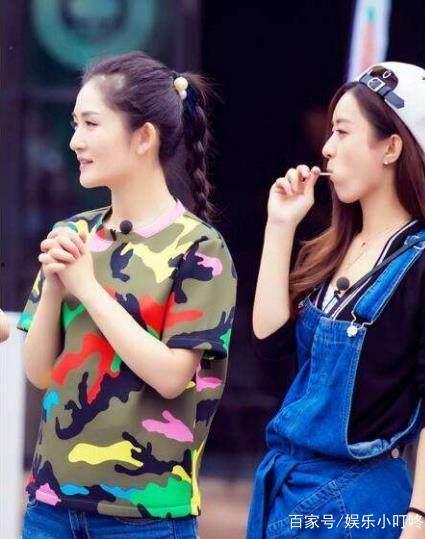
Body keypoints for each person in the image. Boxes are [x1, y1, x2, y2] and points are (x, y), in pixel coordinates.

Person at [18, 51, 237, 538]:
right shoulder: (73, 233)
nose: (75, 140)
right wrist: (55, 289)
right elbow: (39, 373)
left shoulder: (200, 248)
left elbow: (171, 377)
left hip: (146, 518)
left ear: (143, 137)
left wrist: (87, 289)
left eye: (91, 123)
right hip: (50, 507)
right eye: (75, 124)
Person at [248, 62, 425, 538]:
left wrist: (421, 517)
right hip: (288, 492)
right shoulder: (332, 247)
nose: (327, 147)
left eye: (343, 131)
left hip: (361, 505)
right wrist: (279, 226)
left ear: (391, 147)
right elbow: (270, 346)